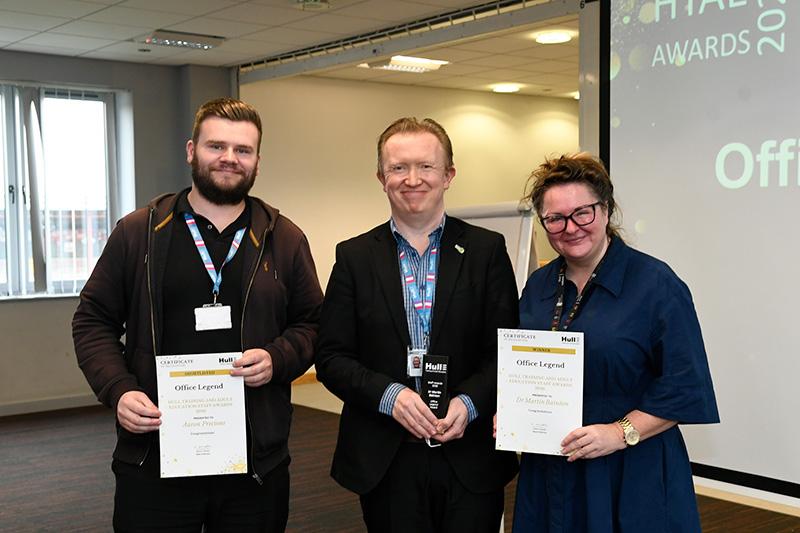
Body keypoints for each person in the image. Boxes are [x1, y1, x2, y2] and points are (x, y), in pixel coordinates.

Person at [72, 97, 323, 532]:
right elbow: (92, 320)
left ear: (257, 162)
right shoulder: (139, 232)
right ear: (192, 151)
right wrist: (119, 391)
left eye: (243, 150)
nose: (229, 158)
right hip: (154, 455)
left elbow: (315, 323)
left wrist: (278, 357)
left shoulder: (284, 238)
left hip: (255, 461)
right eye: (216, 146)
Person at [315, 117, 519, 532]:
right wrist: (391, 396)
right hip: (388, 457)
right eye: (398, 167)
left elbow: (505, 351)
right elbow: (332, 358)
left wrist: (469, 403)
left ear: (449, 175)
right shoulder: (354, 257)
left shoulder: (486, 250)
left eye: (426, 166)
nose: (413, 179)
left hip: (469, 452)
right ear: (381, 177)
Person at [511, 153, 719, 532]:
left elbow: (685, 387)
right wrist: (511, 410)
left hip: (631, 471)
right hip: (552, 472)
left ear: (605, 209)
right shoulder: (539, 287)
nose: (570, 227)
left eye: (582, 213)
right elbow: (522, 363)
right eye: (555, 219)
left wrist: (618, 433)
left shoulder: (656, 285)